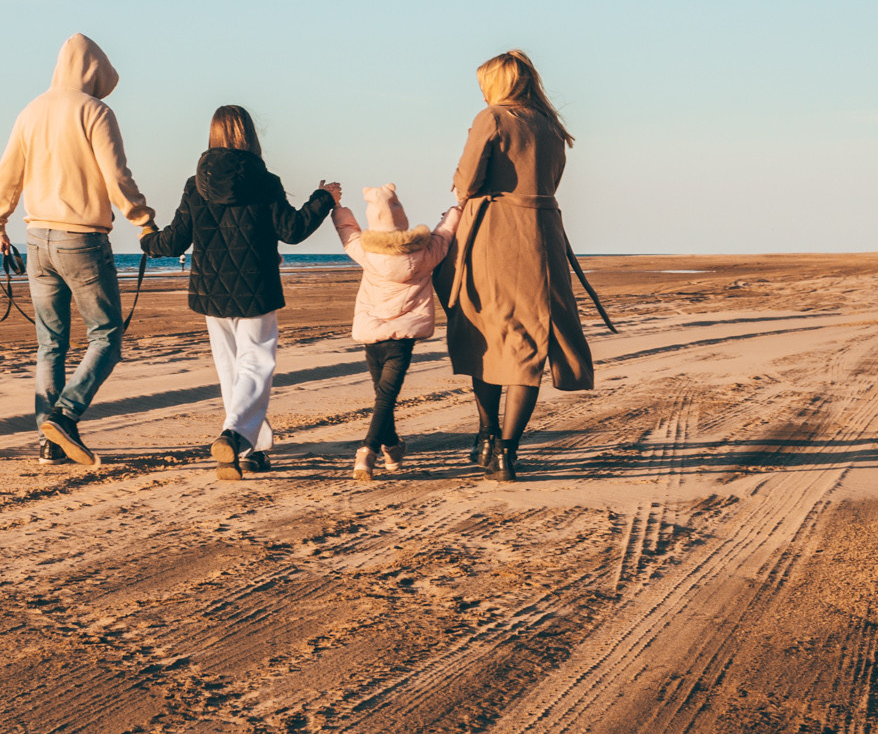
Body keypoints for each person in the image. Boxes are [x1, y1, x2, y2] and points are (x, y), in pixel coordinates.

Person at [0, 34, 156, 467]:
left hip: (36, 240)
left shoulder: (31, 111)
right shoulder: (95, 111)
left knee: (50, 344)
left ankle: (49, 444)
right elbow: (116, 176)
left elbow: (8, 172)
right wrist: (143, 220)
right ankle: (64, 414)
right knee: (107, 337)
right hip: (82, 240)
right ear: (94, 71)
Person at [142, 105, 336, 480]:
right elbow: (293, 230)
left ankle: (251, 449)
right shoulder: (265, 182)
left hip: (211, 290)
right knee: (256, 364)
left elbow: (176, 239)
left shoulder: (195, 185)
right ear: (250, 135)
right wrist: (323, 198)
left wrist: (148, 242)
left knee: (230, 368)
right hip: (256, 287)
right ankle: (234, 434)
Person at [442, 50, 594, 482]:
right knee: (529, 342)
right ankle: (507, 452)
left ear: (499, 84)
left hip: (494, 233)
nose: (482, 93)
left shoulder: (492, 118)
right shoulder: (551, 126)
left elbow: (466, 183)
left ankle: (487, 435)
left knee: (486, 336)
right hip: (543, 237)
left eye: (484, 85)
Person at [328, 183, 460, 481]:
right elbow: (445, 233)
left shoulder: (366, 251)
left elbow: (348, 231)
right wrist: (457, 207)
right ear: (402, 216)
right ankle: (377, 448)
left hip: (372, 334)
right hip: (402, 338)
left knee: (383, 395)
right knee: (385, 397)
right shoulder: (425, 252)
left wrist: (337, 207)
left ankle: (381, 448)